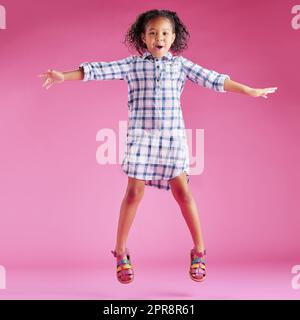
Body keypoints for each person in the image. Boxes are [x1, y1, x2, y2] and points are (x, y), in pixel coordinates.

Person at [38, 9, 277, 284]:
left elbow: (215, 79)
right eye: (152, 33)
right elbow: (98, 70)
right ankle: (120, 252)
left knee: (183, 193)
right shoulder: (132, 65)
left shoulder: (181, 66)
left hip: (172, 139)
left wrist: (248, 89)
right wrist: (63, 76)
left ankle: (199, 251)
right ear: (143, 37)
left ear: (173, 37)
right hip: (141, 138)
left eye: (164, 33)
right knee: (133, 193)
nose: (159, 38)